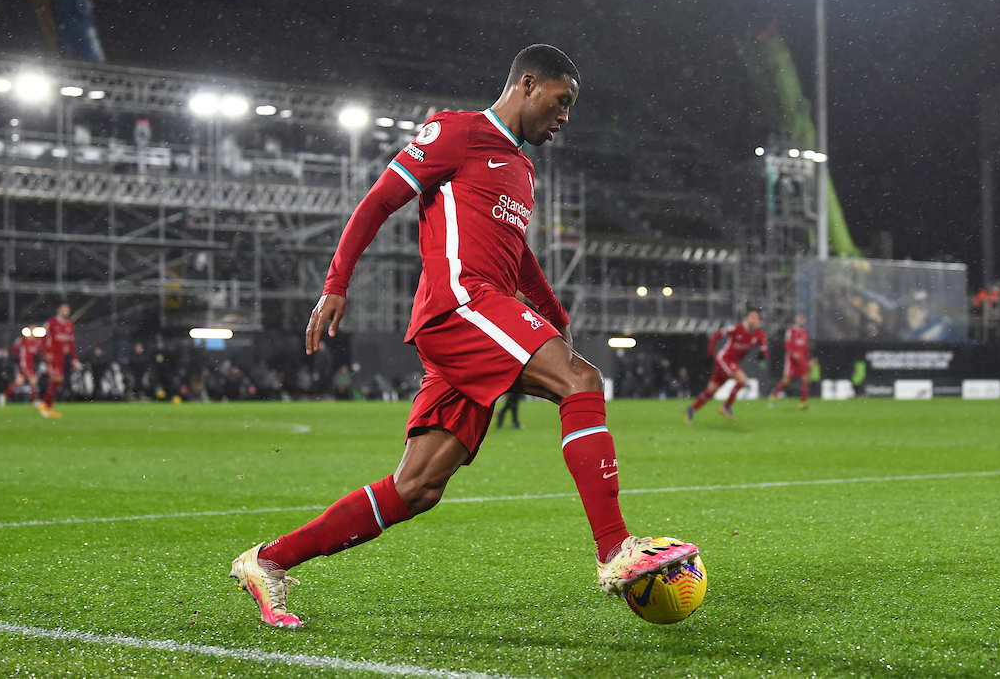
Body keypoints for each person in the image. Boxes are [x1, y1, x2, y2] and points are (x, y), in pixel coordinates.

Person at [229, 44, 698, 628]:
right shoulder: (457, 133)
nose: (566, 118)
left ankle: (267, 563)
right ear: (528, 83)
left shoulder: (522, 168)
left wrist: (552, 309)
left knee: (416, 488)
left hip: (479, 314)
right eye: (562, 101)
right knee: (582, 381)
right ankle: (615, 549)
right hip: (460, 304)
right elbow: (379, 201)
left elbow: (517, 252)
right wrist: (336, 282)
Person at [685, 308, 768, 424]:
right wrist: (709, 354)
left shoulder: (759, 334)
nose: (754, 320)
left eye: (757, 317)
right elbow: (716, 336)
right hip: (723, 359)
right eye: (752, 316)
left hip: (731, 364)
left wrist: (762, 356)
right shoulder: (738, 328)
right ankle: (726, 407)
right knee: (742, 380)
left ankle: (691, 409)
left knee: (711, 390)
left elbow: (764, 350)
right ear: (746, 318)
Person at [41, 304, 80, 417]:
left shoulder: (69, 325)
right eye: (63, 310)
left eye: (67, 310)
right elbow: (43, 339)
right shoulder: (51, 323)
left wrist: (74, 359)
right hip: (52, 357)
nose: (65, 312)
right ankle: (47, 407)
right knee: (55, 379)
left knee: (57, 381)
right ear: (58, 310)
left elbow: (71, 343)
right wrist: (46, 353)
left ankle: (46, 405)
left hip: (61, 358)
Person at [1, 326, 49, 414]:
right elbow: (13, 347)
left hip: (30, 365)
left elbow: (41, 350)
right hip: (25, 364)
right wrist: (19, 355)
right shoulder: (23, 340)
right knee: (33, 380)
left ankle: (4, 395)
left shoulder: (37, 341)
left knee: (19, 382)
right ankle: (35, 401)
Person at [769, 313, 811, 408]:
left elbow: (806, 348)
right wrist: (793, 353)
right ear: (796, 320)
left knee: (805, 379)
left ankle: (803, 403)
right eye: (800, 319)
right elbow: (787, 345)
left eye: (803, 320)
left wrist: (809, 359)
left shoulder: (805, 333)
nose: (801, 321)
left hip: (802, 359)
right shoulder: (791, 331)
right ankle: (773, 396)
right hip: (792, 360)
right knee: (786, 380)